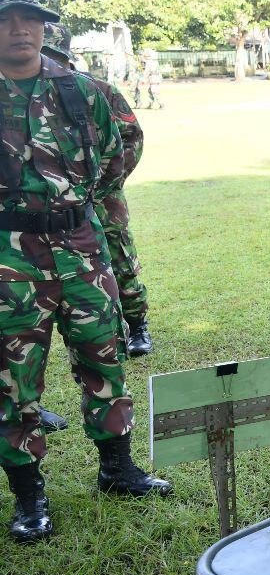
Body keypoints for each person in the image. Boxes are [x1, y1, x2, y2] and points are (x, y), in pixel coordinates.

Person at [0, 0, 170, 543]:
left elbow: (123, 148)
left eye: (28, 18)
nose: (19, 29)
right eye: (5, 19)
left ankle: (117, 469)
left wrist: (83, 202)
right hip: (8, 255)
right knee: (12, 375)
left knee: (104, 354)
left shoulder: (81, 90)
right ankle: (28, 495)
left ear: (43, 27)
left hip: (80, 245)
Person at [42, 23, 153, 358]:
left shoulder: (97, 90)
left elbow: (130, 137)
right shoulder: (21, 96)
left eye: (52, 56)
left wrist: (104, 185)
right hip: (50, 210)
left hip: (103, 200)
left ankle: (137, 326)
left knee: (120, 260)